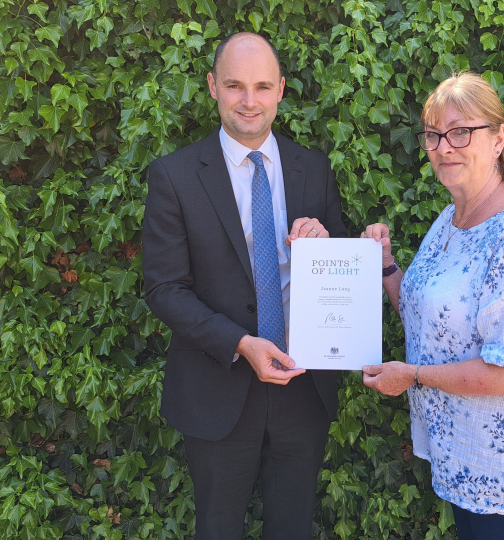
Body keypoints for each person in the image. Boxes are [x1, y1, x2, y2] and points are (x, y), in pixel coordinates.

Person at [360, 72, 504, 540]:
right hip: (467, 458)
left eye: (461, 132)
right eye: (434, 135)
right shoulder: (451, 218)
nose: (444, 147)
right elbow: (428, 318)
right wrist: (387, 267)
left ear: (498, 138)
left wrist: (414, 376)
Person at [142, 32, 346, 540]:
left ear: (280, 89)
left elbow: (342, 268)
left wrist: (324, 243)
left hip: (304, 388)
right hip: (218, 387)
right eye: (235, 86)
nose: (249, 101)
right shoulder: (175, 176)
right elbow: (164, 288)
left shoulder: (313, 168)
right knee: (217, 528)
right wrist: (239, 343)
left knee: (293, 526)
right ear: (213, 86)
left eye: (261, 86)